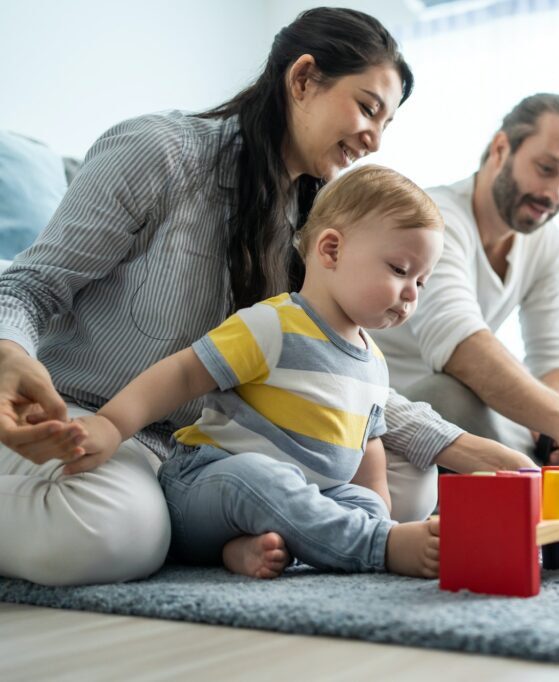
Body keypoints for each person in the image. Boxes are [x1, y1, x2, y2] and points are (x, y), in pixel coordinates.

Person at [0, 7, 531, 587]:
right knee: (116, 535)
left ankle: (233, 531)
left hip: (206, 446)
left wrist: (469, 450)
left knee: (408, 482)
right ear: (303, 79)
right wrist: (9, 354)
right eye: (367, 108)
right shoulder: (159, 152)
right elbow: (31, 284)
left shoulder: (313, 223)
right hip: (97, 418)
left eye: (387, 124)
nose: (375, 140)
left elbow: (343, 379)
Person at [74, 165, 445, 579]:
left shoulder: (374, 362)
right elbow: (182, 374)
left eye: (422, 282)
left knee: (366, 504)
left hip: (302, 497)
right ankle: (373, 547)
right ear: (331, 251)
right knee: (263, 477)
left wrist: (378, 514)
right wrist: (110, 424)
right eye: (399, 270)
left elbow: (368, 445)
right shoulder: (273, 324)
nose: (411, 294)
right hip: (208, 485)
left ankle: (250, 549)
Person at [372, 94, 559, 509]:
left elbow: (557, 359)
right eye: (546, 169)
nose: (554, 193)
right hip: (426, 413)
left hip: (502, 428)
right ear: (500, 149)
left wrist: (556, 434)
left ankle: (545, 474)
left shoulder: (545, 244)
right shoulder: (434, 218)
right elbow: (460, 346)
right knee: (450, 392)